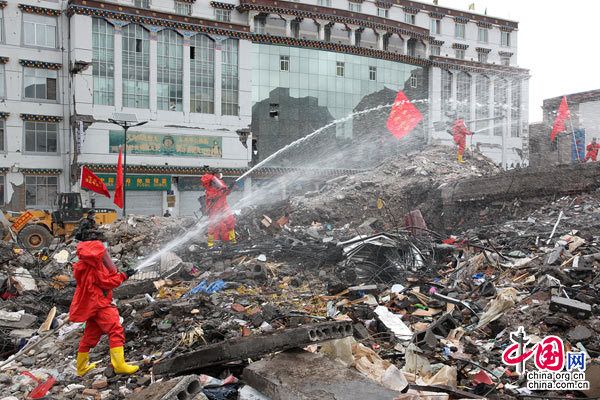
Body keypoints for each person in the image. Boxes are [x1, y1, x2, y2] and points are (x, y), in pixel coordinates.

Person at [69, 240, 138, 377]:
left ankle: (81, 368)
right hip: (100, 304)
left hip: (91, 306)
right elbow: (108, 282)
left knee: (90, 335)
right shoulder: (94, 268)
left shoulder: (83, 265)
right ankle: (119, 366)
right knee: (115, 330)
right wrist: (124, 275)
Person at [200, 168, 236, 248]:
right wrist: (222, 190)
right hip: (214, 208)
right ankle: (210, 244)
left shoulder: (221, 183)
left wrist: (231, 187)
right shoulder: (209, 187)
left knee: (231, 221)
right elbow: (213, 196)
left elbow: (226, 192)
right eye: (219, 173)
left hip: (223, 206)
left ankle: (233, 240)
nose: (220, 175)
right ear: (215, 175)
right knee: (212, 226)